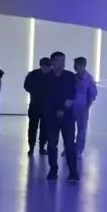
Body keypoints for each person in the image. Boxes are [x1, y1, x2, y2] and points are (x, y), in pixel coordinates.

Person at [43, 51, 80, 182]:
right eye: (58, 60)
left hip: (67, 117)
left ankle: (73, 172)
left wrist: (64, 108)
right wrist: (56, 110)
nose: (61, 63)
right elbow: (47, 97)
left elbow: (72, 94)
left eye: (63, 60)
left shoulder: (70, 76)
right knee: (52, 144)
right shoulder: (47, 78)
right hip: (51, 117)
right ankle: (53, 169)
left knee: (69, 144)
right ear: (52, 62)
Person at [24, 58, 52, 156]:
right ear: (41, 66)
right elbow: (26, 86)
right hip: (35, 105)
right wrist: (37, 92)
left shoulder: (52, 76)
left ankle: (41, 147)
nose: (47, 68)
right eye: (46, 66)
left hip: (47, 107)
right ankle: (31, 147)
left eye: (49, 67)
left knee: (45, 128)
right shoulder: (32, 74)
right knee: (32, 127)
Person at [73, 56, 98, 156]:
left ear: (82, 65)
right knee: (69, 129)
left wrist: (87, 107)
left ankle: (79, 150)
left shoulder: (89, 79)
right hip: (71, 107)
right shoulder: (73, 77)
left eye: (76, 65)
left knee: (82, 130)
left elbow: (92, 94)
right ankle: (69, 148)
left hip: (83, 107)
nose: (75, 67)